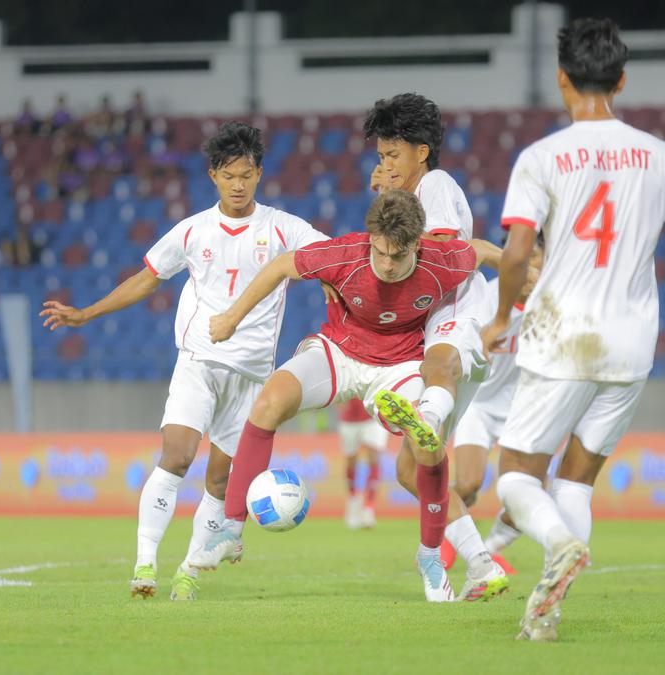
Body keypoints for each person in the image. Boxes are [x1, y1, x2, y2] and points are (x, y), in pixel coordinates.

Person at [480, 18, 665, 641]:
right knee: (576, 478)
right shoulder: (660, 155)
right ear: (621, 80)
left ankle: (557, 545)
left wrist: (498, 319)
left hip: (563, 336)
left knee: (518, 476)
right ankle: (547, 614)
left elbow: (518, 252)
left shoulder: (543, 157)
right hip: (631, 345)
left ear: (561, 79)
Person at [39, 121, 327, 601]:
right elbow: (146, 278)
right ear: (213, 175)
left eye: (248, 175)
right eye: (230, 175)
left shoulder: (284, 228)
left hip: (254, 377)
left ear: (259, 174)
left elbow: (334, 260)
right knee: (176, 457)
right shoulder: (192, 231)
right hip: (200, 361)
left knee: (220, 479)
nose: (239, 185)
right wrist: (87, 313)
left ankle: (189, 571)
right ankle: (145, 564)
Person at [195, 189, 498, 602]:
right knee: (268, 403)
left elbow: (478, 250)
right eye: (381, 252)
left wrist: (527, 267)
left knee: (426, 448)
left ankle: (430, 556)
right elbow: (282, 265)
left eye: (399, 256)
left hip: (401, 365)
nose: (388, 265)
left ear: (418, 245)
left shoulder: (441, 261)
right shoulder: (344, 255)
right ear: (370, 237)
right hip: (340, 352)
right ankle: (231, 528)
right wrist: (232, 318)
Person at [363, 93, 510, 601]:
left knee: (437, 362)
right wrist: (384, 207)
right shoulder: (410, 196)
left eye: (393, 155)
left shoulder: (437, 186)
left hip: (458, 317)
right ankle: (483, 565)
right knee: (411, 469)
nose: (386, 165)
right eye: (381, 157)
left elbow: (443, 254)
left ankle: (425, 414)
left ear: (421, 152)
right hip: (441, 333)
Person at [442, 234, 546, 573]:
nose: (532, 267)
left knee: (531, 492)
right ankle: (437, 542)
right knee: (469, 484)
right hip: (479, 402)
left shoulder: (553, 300)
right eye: (525, 259)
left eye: (537, 258)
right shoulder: (486, 295)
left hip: (523, 406)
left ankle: (487, 551)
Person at [337, 399, 388, 529]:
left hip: (373, 417)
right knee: (351, 461)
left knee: (374, 456)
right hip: (349, 420)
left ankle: (368, 508)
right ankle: (353, 501)